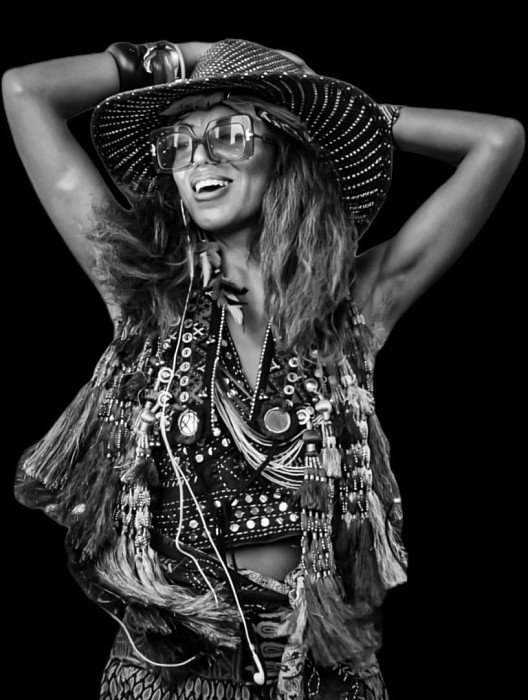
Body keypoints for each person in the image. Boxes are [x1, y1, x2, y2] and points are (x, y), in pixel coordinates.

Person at [3, 37, 524, 700]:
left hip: (324, 671)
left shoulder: (352, 308)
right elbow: (26, 92)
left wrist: (336, 105)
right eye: (179, 143)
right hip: (167, 672)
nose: (199, 158)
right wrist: (189, 55)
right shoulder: (146, 298)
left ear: (286, 150)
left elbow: (497, 142)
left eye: (229, 134)